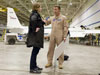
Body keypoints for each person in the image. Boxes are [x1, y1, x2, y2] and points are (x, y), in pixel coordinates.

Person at [26, 3, 45, 74]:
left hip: (37, 36)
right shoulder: (35, 14)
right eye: (40, 7)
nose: (41, 8)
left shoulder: (36, 14)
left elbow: (37, 22)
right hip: (35, 36)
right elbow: (33, 21)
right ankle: (32, 68)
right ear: (37, 8)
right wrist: (35, 29)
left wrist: (42, 23)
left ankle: (34, 66)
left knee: (36, 51)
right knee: (34, 52)